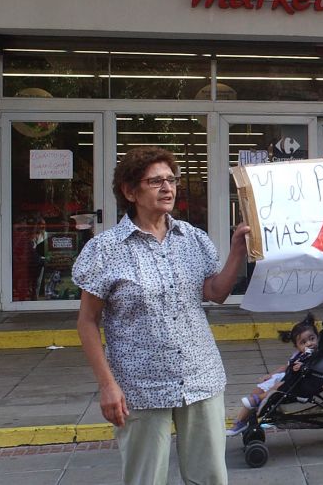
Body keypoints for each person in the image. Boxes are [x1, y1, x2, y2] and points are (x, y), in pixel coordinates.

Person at [74, 146, 250, 485]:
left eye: (171, 180)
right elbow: (87, 322)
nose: (167, 188)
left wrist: (237, 252)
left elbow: (214, 292)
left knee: (210, 478)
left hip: (200, 377)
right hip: (140, 385)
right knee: (146, 479)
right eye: (155, 181)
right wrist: (107, 385)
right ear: (130, 192)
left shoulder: (192, 238)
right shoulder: (106, 249)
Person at [226, 313, 320, 436]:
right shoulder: (299, 354)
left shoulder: (316, 355)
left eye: (312, 339)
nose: (309, 343)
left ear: (317, 337)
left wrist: (302, 366)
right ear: (297, 346)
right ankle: (240, 422)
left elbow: (314, 367)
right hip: (286, 377)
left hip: (295, 382)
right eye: (303, 342)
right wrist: (271, 375)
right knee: (257, 390)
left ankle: (256, 401)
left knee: (274, 389)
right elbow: (285, 366)